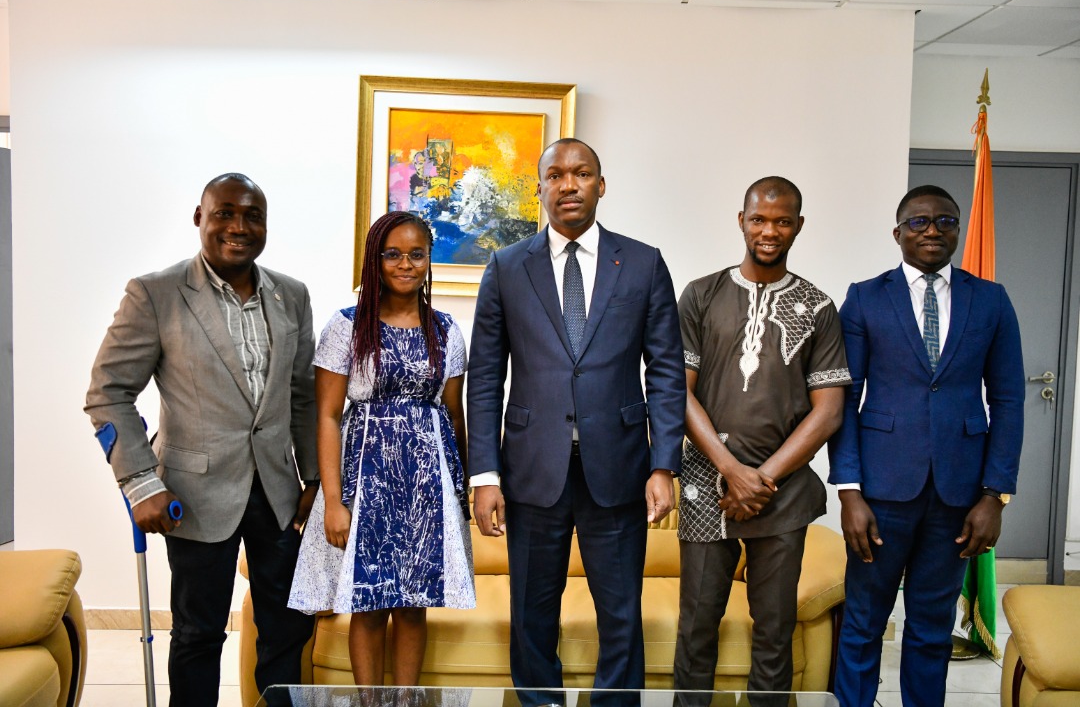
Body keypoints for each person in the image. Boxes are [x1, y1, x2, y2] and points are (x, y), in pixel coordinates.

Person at [85, 173, 318, 706]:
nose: (238, 226)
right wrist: (140, 483)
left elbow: (303, 394)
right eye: (225, 213)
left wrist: (315, 480)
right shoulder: (155, 293)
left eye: (252, 216)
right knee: (197, 634)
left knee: (287, 630)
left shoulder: (292, 295)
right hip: (193, 494)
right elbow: (108, 392)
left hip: (280, 495)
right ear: (200, 218)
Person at [466, 138, 686, 695]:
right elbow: (486, 379)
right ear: (539, 188)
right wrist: (485, 476)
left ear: (600, 185)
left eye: (581, 173)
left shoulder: (642, 263)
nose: (569, 185)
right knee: (532, 616)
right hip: (531, 471)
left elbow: (664, 373)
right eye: (556, 176)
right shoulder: (507, 266)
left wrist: (664, 466)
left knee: (620, 615)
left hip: (619, 468)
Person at [827, 185, 1024, 707]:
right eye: (918, 222)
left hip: (960, 494)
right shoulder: (867, 296)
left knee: (931, 628)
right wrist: (849, 492)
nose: (932, 230)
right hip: (880, 491)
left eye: (945, 221)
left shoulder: (991, 299)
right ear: (897, 234)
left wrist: (994, 494)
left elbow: (1007, 400)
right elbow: (845, 399)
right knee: (864, 622)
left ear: (958, 230)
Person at [672, 176, 850, 698]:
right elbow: (677, 395)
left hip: (783, 493)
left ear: (798, 225)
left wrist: (762, 479)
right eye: (759, 219)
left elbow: (829, 411)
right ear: (742, 221)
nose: (769, 231)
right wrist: (731, 470)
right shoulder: (701, 295)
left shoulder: (818, 307)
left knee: (774, 634)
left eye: (782, 221)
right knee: (696, 630)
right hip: (708, 486)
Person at [288, 211, 475, 685]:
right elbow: (327, 416)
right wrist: (332, 501)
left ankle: (405, 701)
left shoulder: (446, 330)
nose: (405, 264)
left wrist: (461, 491)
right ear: (375, 259)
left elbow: (454, 414)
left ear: (429, 259)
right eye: (393, 254)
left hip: (426, 481)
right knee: (369, 605)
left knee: (413, 607)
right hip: (364, 478)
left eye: (417, 254)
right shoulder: (346, 326)